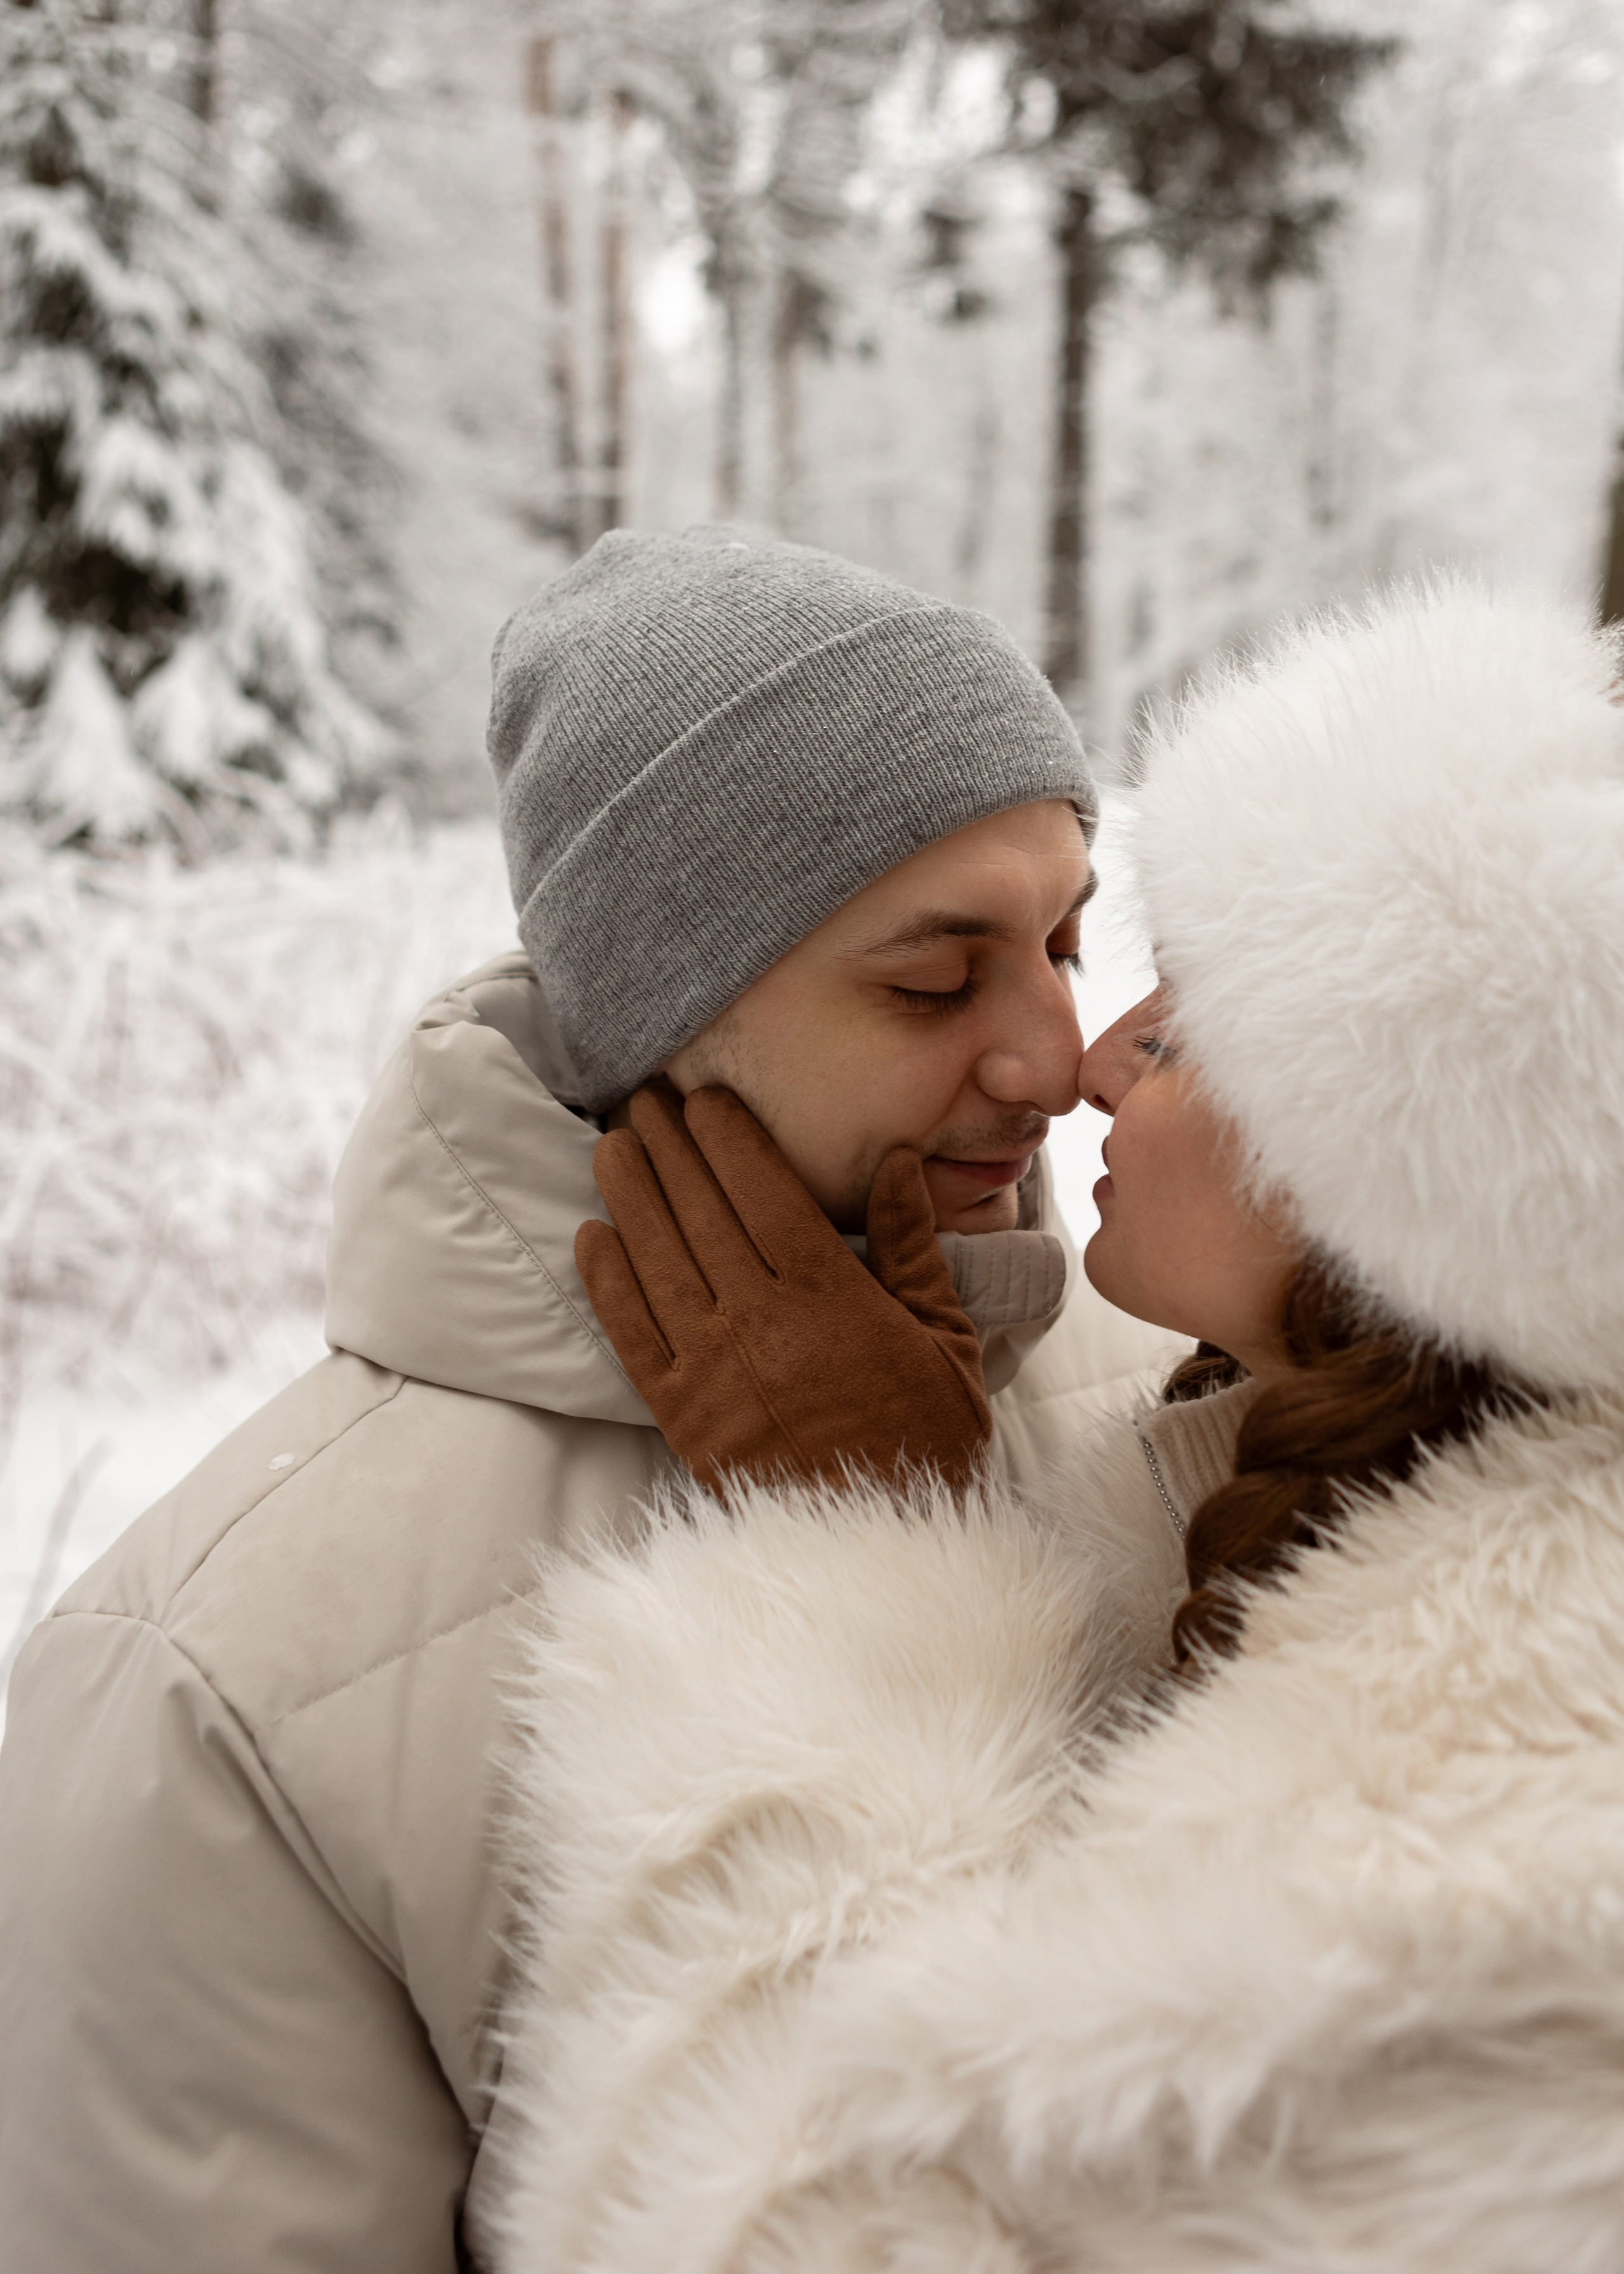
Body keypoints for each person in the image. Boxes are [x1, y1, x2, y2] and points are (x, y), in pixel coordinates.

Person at [0, 529, 1175, 2274]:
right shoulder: (205, 1685)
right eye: (935, 978)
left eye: (1066, 942)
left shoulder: (1184, 1393)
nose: (1054, 1054)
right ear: (661, 1005)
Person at [492, 574, 1624, 2271]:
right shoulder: (1260, 1477)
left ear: (1396, 1168)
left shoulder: (1493, 1818)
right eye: (938, 978)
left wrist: (854, 1551)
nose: (1078, 1059)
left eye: (1181, 1017)